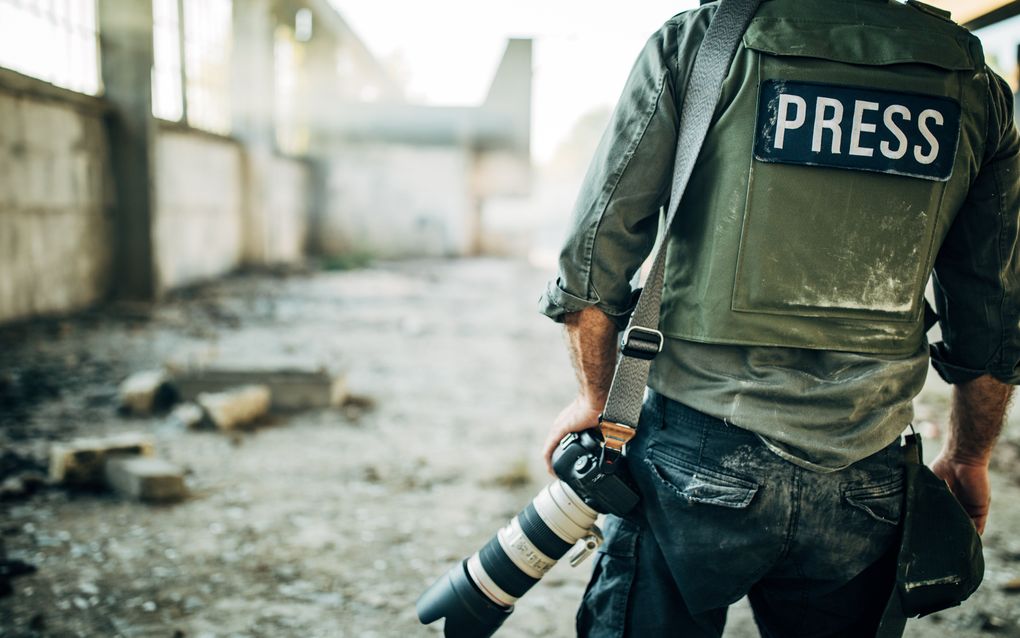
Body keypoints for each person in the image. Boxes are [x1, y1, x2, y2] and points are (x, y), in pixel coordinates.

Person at [538, 0, 1020, 636]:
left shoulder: (704, 42)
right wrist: (968, 457)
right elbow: (993, 313)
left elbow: (596, 251)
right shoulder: (977, 87)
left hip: (691, 450)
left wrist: (595, 397)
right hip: (868, 468)